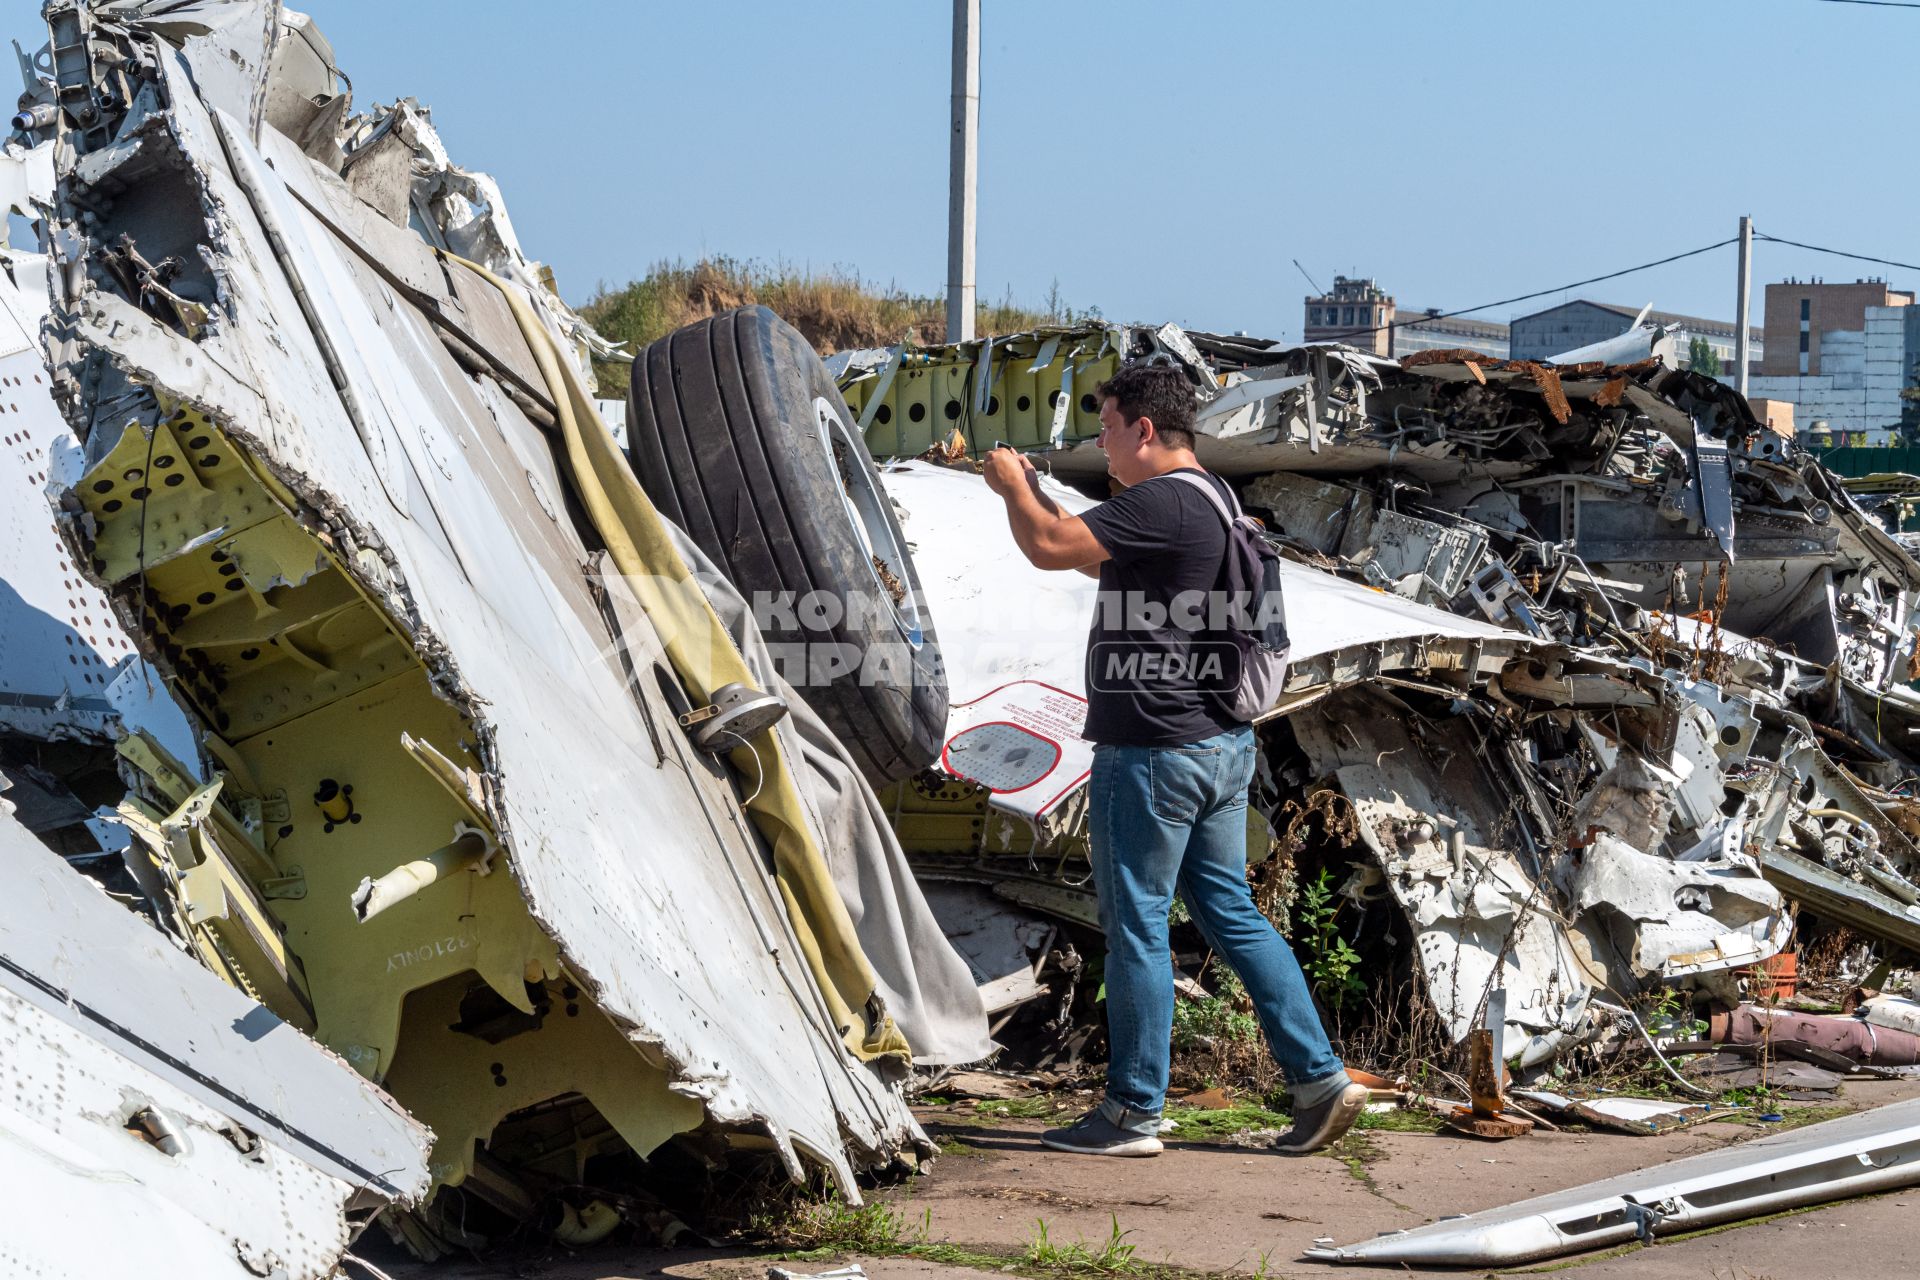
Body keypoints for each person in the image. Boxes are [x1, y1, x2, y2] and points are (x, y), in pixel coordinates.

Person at [980, 361, 1366, 1158]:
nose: (1102, 443)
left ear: (1144, 430)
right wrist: (1035, 495)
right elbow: (1092, 555)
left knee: (1138, 928)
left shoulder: (1158, 500)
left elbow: (1052, 548)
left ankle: (1131, 1113)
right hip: (1220, 746)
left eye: (1108, 426)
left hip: (1154, 748)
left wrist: (1011, 491)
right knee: (1230, 913)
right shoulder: (1210, 501)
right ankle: (1320, 1080)